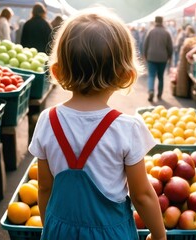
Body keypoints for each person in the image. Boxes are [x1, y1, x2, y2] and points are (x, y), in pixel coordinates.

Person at [28, 7, 166, 240]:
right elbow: (142, 194)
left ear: (57, 72)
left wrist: (51, 227)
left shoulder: (47, 121)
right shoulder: (127, 128)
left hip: (59, 231)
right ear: (126, 75)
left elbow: (44, 188)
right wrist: (159, 235)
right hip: (111, 234)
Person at [143, 16, 173, 102]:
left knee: (151, 75)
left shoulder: (151, 31)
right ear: (162, 22)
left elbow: (145, 45)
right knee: (160, 77)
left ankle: (151, 90)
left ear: (155, 21)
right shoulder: (166, 32)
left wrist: (145, 55)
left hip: (151, 57)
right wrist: (170, 57)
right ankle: (159, 94)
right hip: (163, 58)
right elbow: (170, 47)